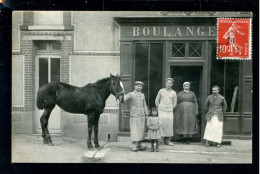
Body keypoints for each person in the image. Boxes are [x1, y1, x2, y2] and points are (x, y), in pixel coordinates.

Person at [124, 81, 149, 152]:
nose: (139, 87)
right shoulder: (130, 94)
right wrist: (121, 96)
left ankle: (139, 145)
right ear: (135, 86)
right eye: (138, 86)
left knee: (141, 130)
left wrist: (146, 114)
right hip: (134, 115)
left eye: (140, 86)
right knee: (134, 130)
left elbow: (145, 105)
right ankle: (134, 145)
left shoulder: (143, 95)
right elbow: (124, 99)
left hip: (142, 115)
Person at [155, 78, 177, 146]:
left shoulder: (173, 92)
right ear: (165, 83)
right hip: (161, 110)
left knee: (169, 125)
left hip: (169, 111)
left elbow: (175, 102)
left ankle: (167, 140)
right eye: (167, 83)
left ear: (172, 84)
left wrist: (171, 107)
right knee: (161, 124)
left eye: (170, 83)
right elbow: (157, 100)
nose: (168, 84)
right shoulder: (161, 91)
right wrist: (158, 107)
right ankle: (159, 140)